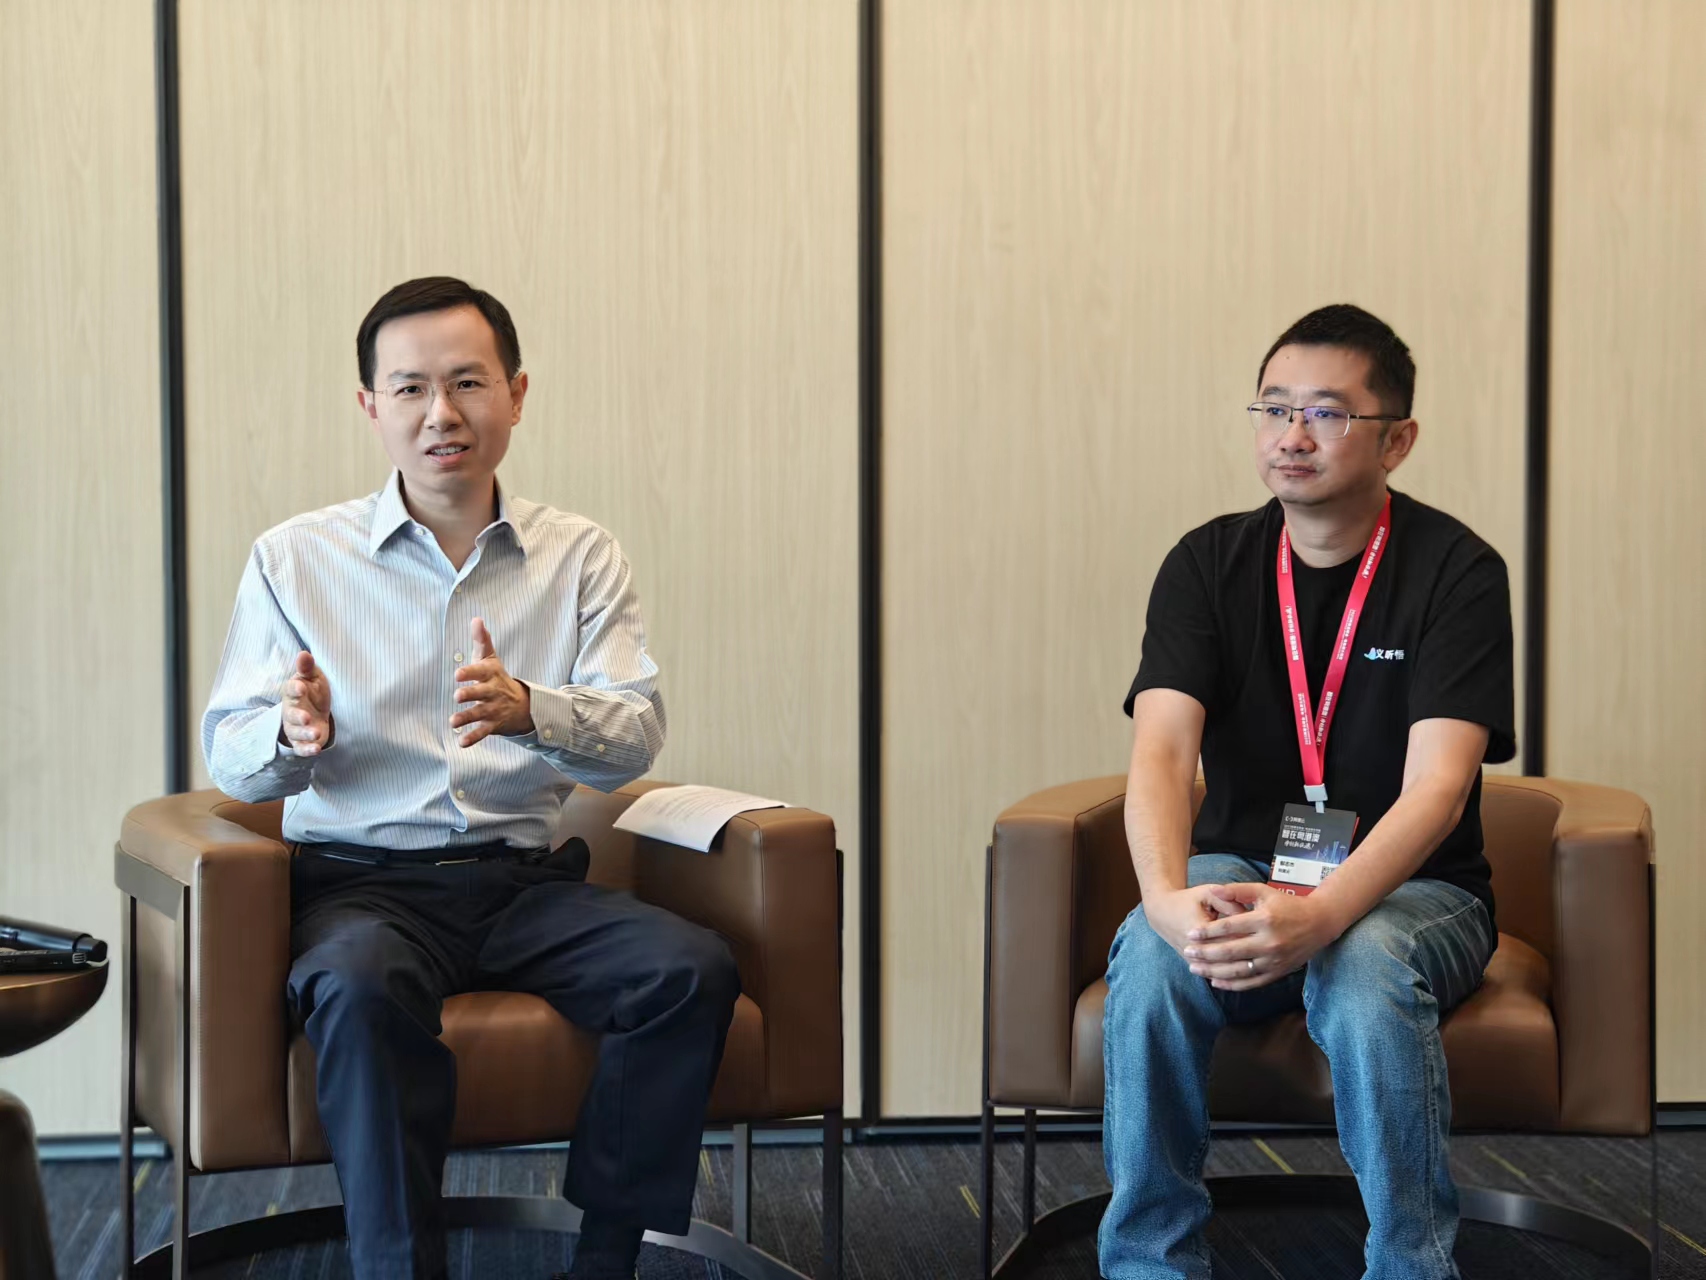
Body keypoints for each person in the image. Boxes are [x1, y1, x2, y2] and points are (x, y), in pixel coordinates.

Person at [203, 276, 739, 1280]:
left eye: (466, 382)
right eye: (409, 388)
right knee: (356, 986)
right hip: (360, 888)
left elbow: (636, 737)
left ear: (516, 394)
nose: (440, 413)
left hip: (521, 883)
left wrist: (530, 708)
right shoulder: (294, 557)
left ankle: (606, 1257)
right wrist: (290, 732)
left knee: (687, 968)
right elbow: (226, 748)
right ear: (370, 406)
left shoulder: (580, 555)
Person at [1101, 304, 1514, 1280]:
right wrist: (1163, 899)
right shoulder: (1206, 564)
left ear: (1395, 440)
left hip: (1419, 891)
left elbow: (1437, 789)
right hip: (1242, 862)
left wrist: (1320, 914)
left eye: (1326, 412)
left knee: (1364, 962)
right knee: (1152, 951)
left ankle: (1411, 1266)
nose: (1292, 434)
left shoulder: (1456, 570)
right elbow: (1161, 754)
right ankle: (1149, 1263)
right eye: (1274, 407)